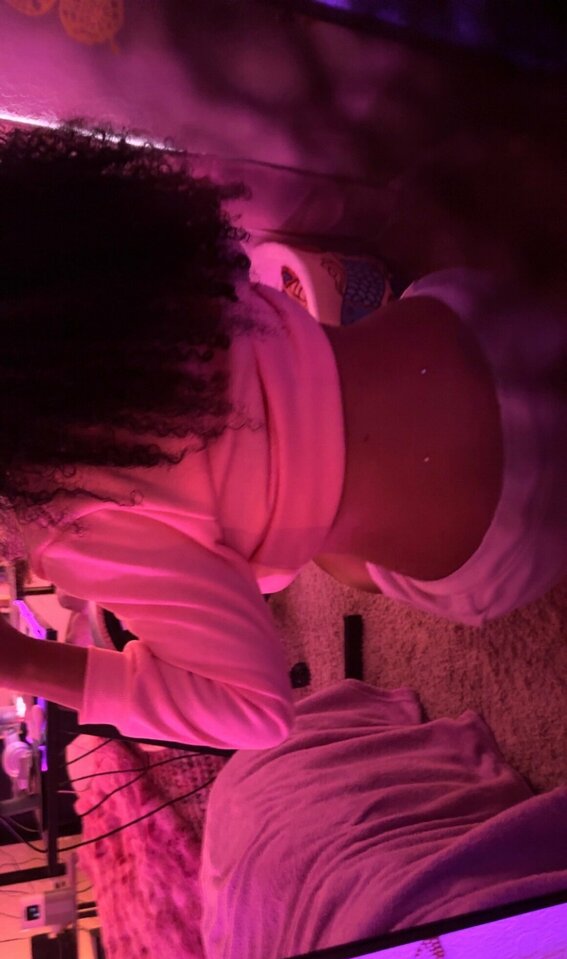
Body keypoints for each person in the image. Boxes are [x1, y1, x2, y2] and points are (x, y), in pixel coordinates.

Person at [0, 123, 564, 751]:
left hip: (518, 527)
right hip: (498, 330)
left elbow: (256, 714)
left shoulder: (64, 521)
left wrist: (24, 662)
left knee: (337, 564)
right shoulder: (67, 263)